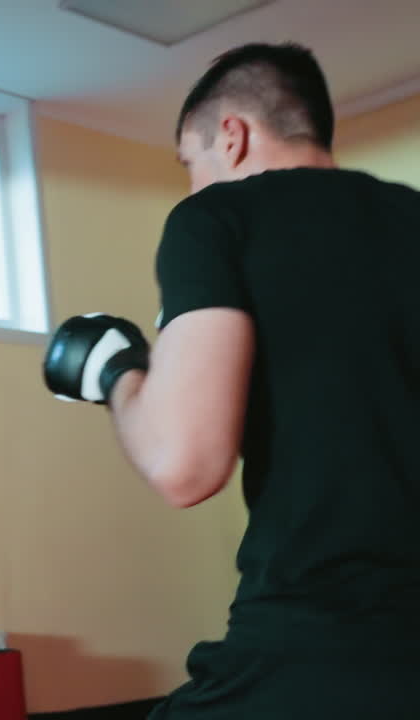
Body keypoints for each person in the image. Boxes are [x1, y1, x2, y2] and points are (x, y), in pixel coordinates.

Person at [42, 43, 420, 718]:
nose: (193, 186)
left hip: (320, 641)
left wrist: (117, 371)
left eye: (190, 163)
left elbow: (184, 467)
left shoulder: (217, 217)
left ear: (232, 135)